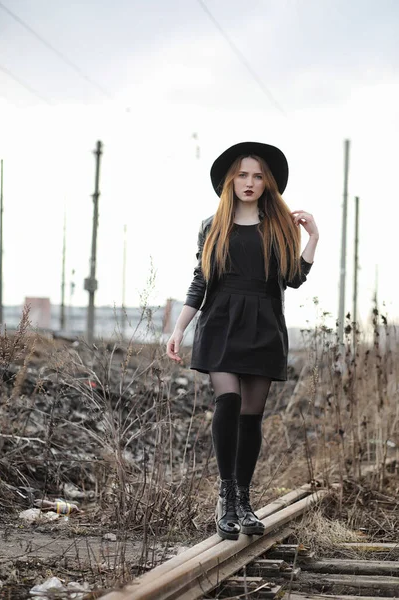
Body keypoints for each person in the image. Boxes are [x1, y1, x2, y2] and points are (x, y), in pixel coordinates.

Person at [166, 141, 319, 540]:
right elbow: (201, 280)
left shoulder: (279, 226)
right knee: (228, 400)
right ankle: (227, 497)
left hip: (264, 325)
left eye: (257, 176)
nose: (249, 182)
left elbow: (293, 278)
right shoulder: (211, 226)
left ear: (267, 183)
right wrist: (180, 328)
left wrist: (312, 240)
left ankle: (244, 501)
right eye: (242, 174)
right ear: (230, 180)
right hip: (220, 322)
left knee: (251, 414)